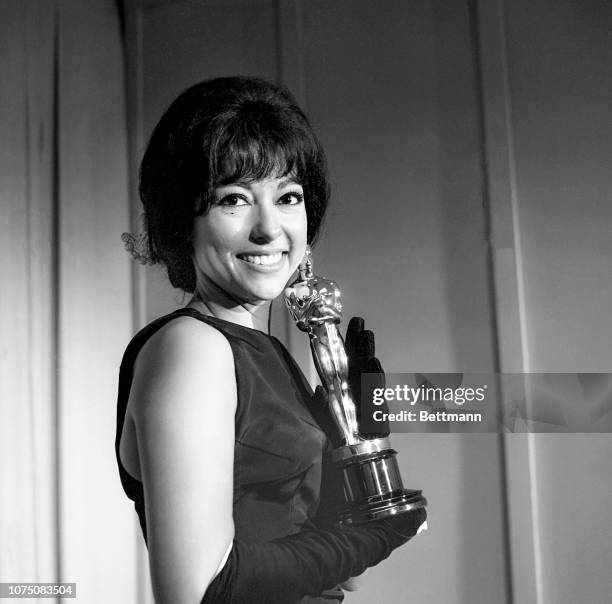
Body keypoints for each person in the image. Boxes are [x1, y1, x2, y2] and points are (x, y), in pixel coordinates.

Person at [116, 76, 426, 604]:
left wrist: (359, 445)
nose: (268, 228)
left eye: (288, 197)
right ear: (180, 221)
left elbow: (333, 575)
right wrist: (371, 536)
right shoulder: (193, 348)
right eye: (234, 198)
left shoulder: (271, 355)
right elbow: (204, 589)